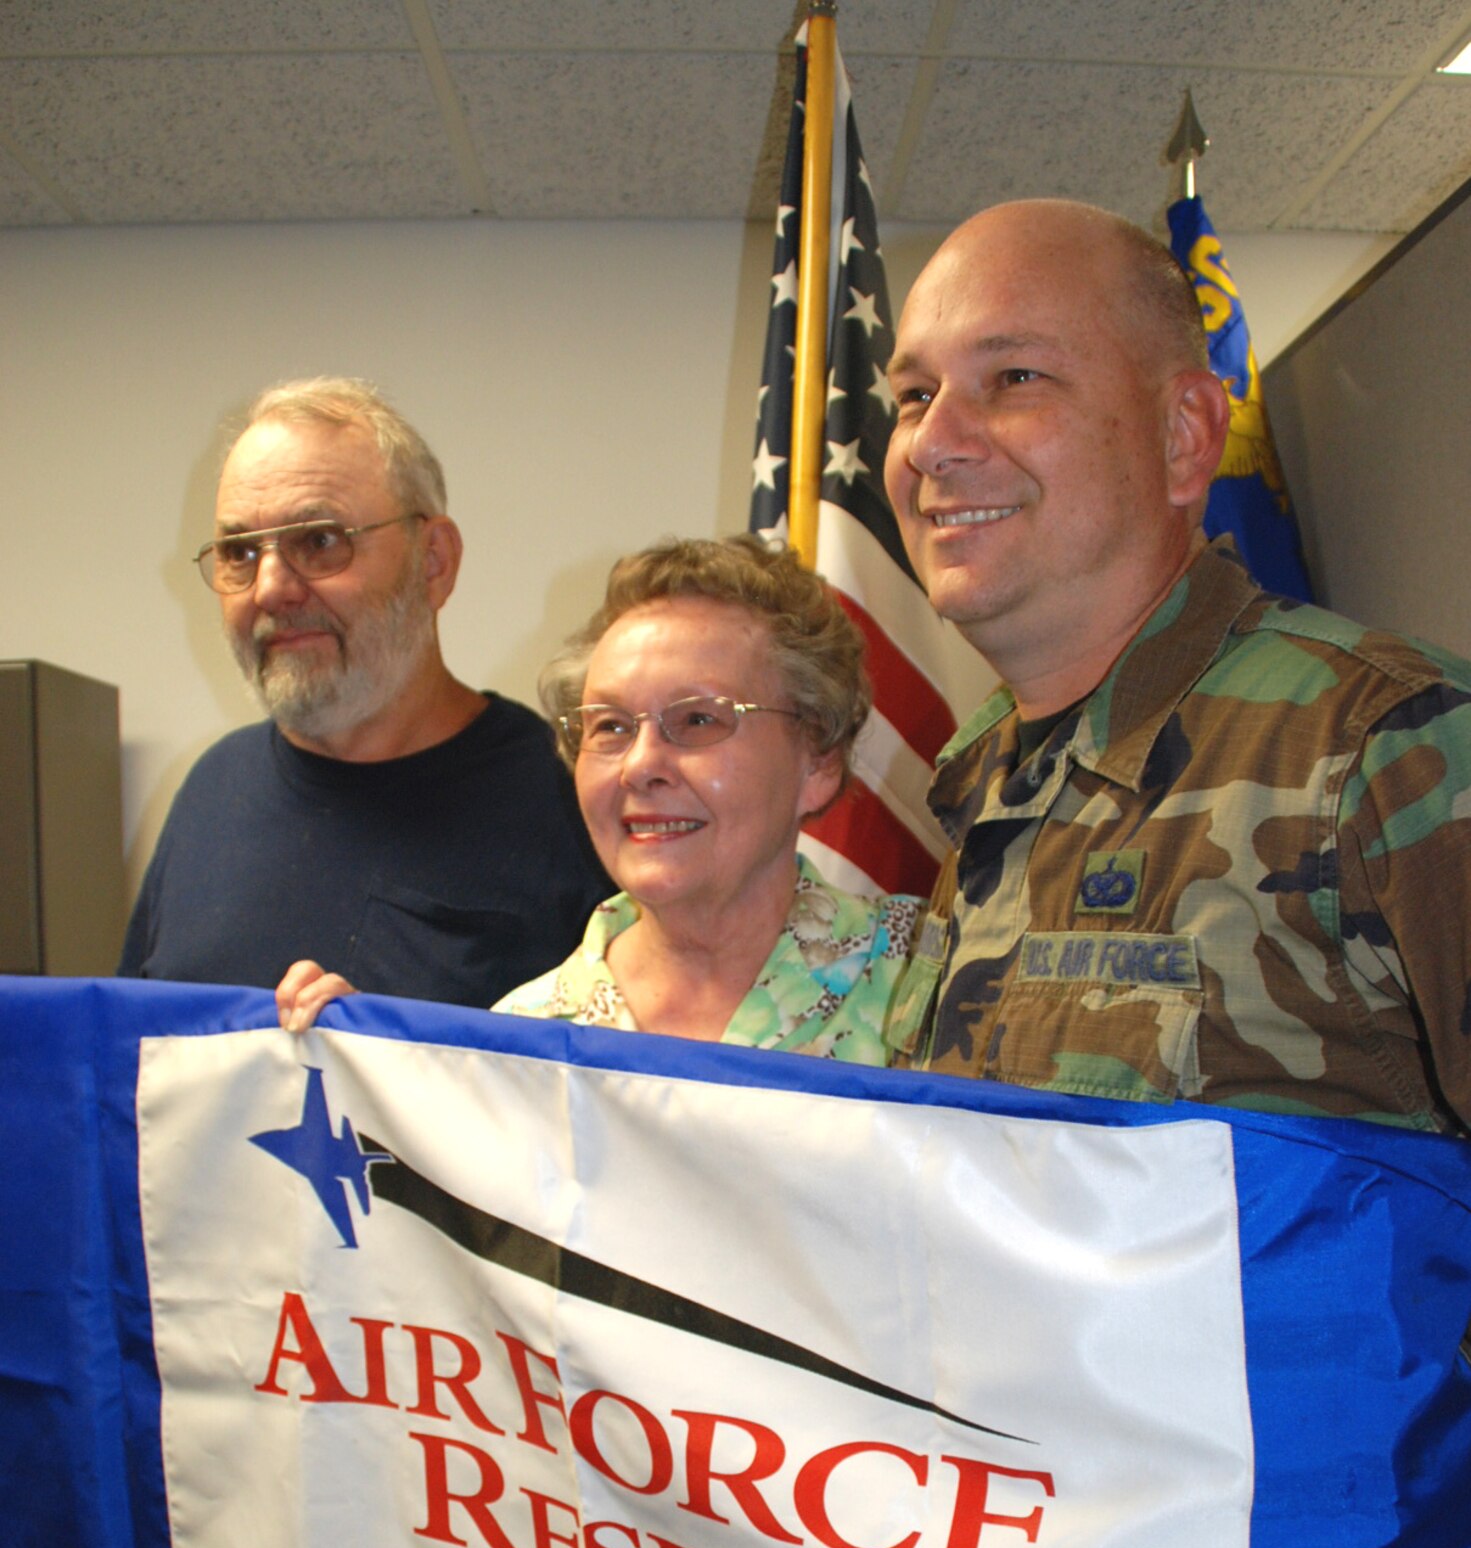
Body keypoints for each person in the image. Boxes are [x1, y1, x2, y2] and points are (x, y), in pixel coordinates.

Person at [882, 198, 1471, 1132]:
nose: (930, 443)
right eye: (914, 395)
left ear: (1185, 434)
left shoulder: (1386, 747)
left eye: (1014, 377)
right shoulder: (988, 779)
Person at [278, 535, 918, 1065]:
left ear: (819, 760)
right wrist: (366, 1086)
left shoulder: (925, 983)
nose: (640, 766)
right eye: (609, 726)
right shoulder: (520, 1041)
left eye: (697, 721)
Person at [118, 377, 608, 1006]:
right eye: (240, 551)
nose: (271, 588)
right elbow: (135, 1074)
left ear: (433, 561)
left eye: (319, 542)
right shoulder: (213, 790)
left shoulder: (570, 795)